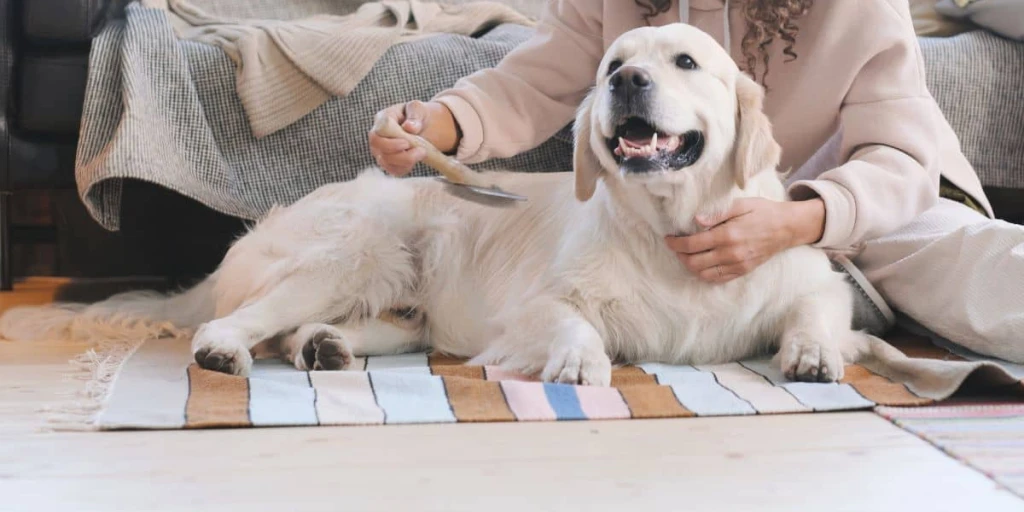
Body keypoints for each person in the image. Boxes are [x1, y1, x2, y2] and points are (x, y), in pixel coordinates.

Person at [368, 0, 1024, 362]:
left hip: (862, 204)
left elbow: (902, 156)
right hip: (677, 215)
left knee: (975, 273)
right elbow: (529, 83)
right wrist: (437, 122)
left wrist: (797, 221)